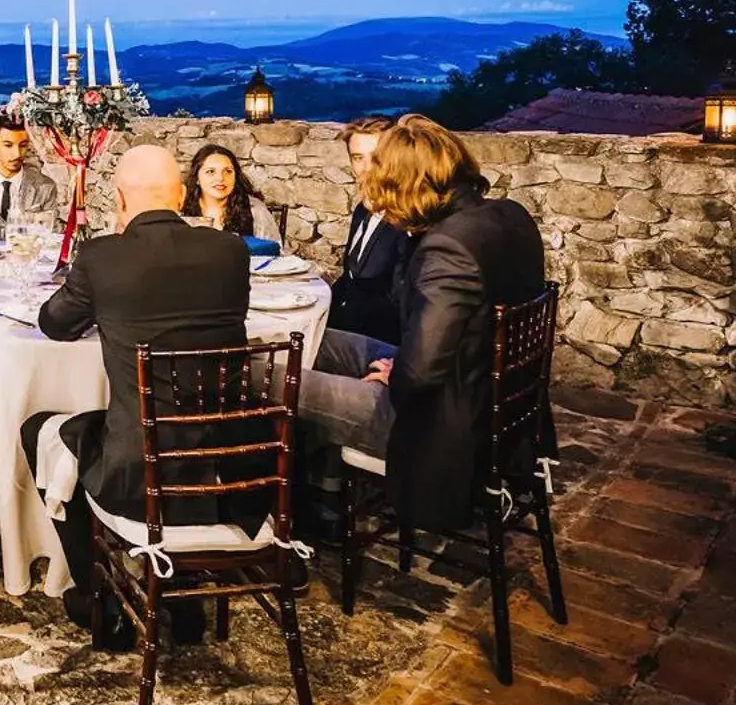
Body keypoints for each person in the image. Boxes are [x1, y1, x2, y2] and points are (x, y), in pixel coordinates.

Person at [19, 145, 262, 647]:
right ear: (180, 196)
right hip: (228, 465)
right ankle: (185, 595)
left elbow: (55, 324)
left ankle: (97, 599)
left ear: (121, 199)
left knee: (39, 428)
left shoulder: (103, 256)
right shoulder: (230, 252)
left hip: (140, 469)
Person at [298, 114, 546, 534]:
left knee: (266, 375)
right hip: (482, 390)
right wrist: (402, 364)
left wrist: (391, 376)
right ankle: (317, 486)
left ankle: (281, 512)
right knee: (312, 341)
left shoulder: (447, 247)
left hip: (442, 423)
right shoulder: (508, 215)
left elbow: (418, 378)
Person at [328, 116, 412, 343]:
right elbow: (351, 277)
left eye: (377, 158)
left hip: (383, 343)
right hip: (348, 327)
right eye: (358, 158)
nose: (366, 169)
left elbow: (405, 304)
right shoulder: (361, 211)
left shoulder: (409, 220)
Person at [180, 143, 282, 243]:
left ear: (235, 176)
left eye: (228, 171)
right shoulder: (181, 209)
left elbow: (275, 252)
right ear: (196, 178)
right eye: (210, 171)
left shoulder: (254, 209)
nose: (220, 178)